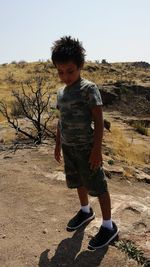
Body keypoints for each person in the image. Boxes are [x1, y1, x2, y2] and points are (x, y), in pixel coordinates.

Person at [51, 36, 118, 250]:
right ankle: (85, 210)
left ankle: (108, 226)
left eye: (70, 71)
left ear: (80, 66)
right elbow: (61, 120)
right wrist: (58, 144)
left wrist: (97, 150)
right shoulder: (61, 93)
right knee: (77, 181)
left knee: (98, 185)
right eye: (61, 72)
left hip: (88, 148)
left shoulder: (88, 88)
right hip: (69, 148)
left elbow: (98, 121)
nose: (65, 76)